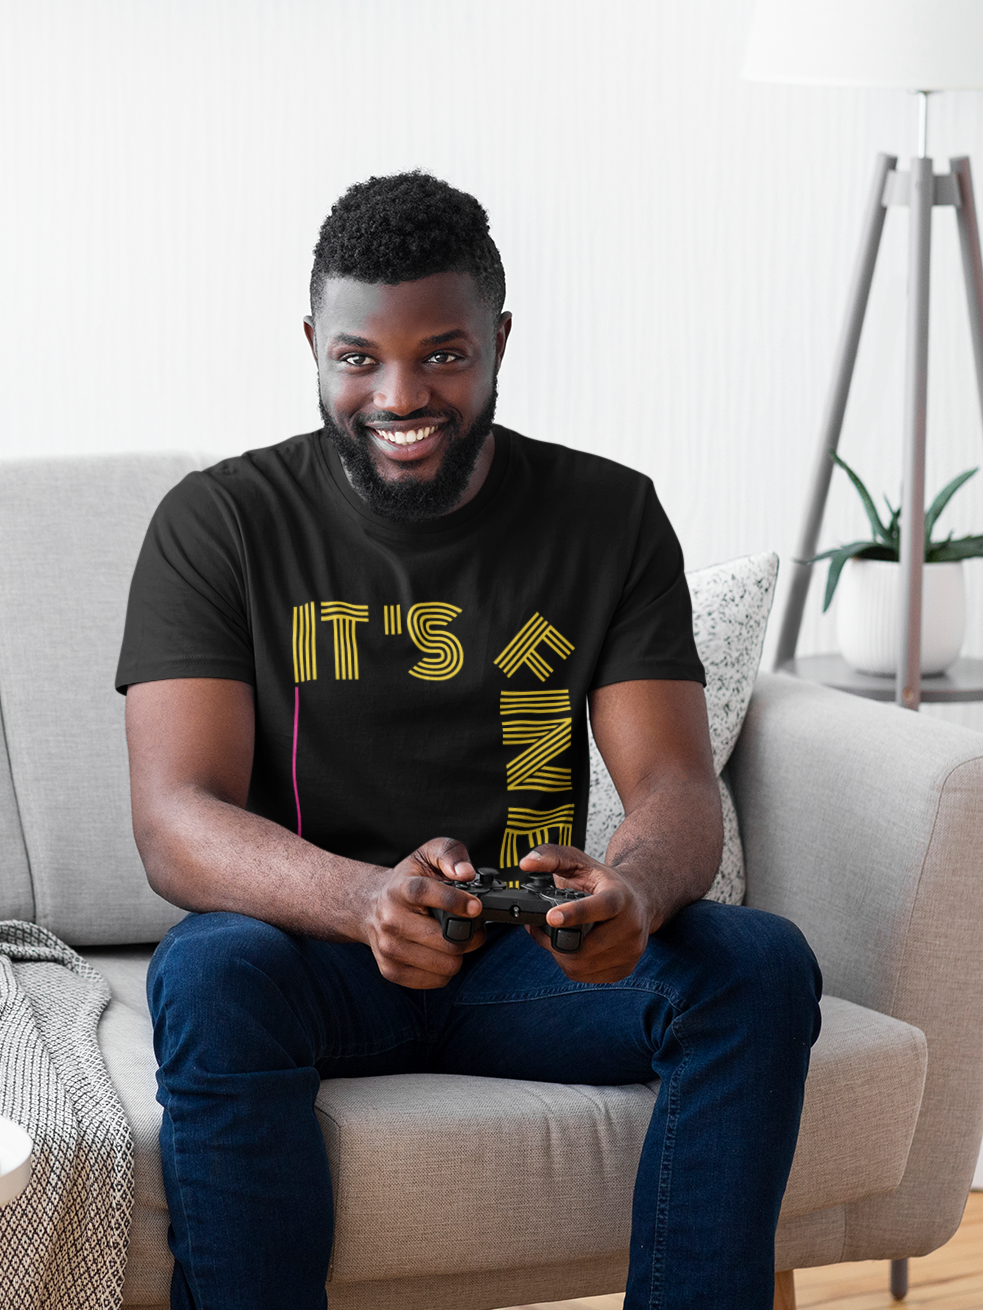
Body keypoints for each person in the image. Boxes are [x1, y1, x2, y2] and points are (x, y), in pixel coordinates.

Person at [114, 171, 822, 1310]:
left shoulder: (608, 515)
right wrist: (360, 901)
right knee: (208, 968)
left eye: (442, 353)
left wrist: (631, 894)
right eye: (360, 358)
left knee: (756, 964)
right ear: (313, 344)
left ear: (499, 339)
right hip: (318, 954)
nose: (401, 395)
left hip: (531, 955)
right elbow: (174, 819)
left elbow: (677, 784)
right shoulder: (222, 523)